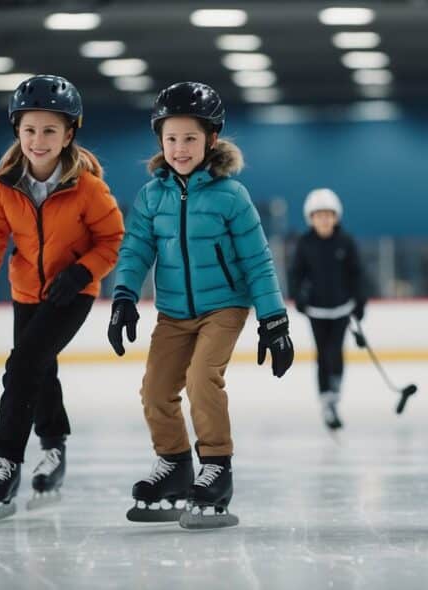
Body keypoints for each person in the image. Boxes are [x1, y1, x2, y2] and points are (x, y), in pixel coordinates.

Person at [108, 81, 293, 530]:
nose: (180, 148)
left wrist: (274, 318)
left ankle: (216, 467)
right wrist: (124, 297)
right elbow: (135, 250)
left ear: (211, 139)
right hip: (173, 311)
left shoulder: (232, 195)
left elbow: (257, 259)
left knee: (201, 377)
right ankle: (173, 464)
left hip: (225, 306)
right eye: (170, 138)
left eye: (190, 138)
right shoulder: (153, 196)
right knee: (155, 389)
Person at [0, 75, 124, 523]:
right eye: (30, 130)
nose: (39, 140)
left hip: (74, 292)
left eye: (50, 130)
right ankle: (54, 447)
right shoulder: (4, 188)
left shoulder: (88, 188)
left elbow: (113, 240)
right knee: (38, 368)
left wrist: (83, 271)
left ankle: (5, 462)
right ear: (17, 132)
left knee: (23, 365)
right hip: (27, 290)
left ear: (69, 134)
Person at [289, 188, 368, 431]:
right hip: (316, 310)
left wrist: (360, 303)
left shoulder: (346, 241)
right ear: (310, 218)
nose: (324, 219)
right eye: (319, 215)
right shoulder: (305, 243)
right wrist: (298, 298)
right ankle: (326, 398)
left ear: (336, 217)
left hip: (341, 309)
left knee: (335, 351)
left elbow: (357, 274)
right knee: (322, 354)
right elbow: (295, 274)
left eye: (328, 215)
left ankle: (335, 391)